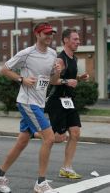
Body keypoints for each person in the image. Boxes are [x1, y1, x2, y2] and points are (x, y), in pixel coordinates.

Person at [0, 22, 61, 193]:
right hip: (28, 102)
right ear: (37, 34)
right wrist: (22, 79)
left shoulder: (52, 53)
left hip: (39, 102)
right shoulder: (27, 53)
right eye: (46, 34)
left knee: (22, 142)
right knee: (49, 138)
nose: (49, 36)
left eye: (51, 34)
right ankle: (41, 183)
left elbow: (51, 80)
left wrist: (57, 71)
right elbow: (5, 69)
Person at [45, 28, 89, 179]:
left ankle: (66, 168)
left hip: (69, 100)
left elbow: (68, 76)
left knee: (75, 133)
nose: (78, 42)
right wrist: (66, 81)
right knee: (59, 138)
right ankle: (33, 133)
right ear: (65, 40)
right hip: (57, 101)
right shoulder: (60, 60)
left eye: (78, 39)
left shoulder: (74, 58)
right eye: (75, 39)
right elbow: (52, 80)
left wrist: (78, 77)